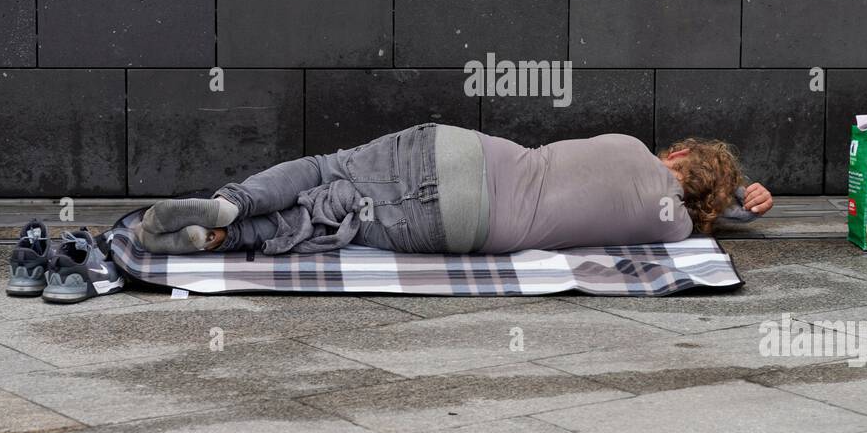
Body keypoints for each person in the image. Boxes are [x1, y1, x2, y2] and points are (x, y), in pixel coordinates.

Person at [138, 123, 774, 256]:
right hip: (464, 224)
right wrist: (743, 198)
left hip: (455, 152)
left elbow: (694, 178)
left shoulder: (629, 147)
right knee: (332, 222)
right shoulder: (672, 226)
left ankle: (233, 201)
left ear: (680, 154)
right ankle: (222, 237)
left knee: (327, 168)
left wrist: (737, 182)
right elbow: (715, 214)